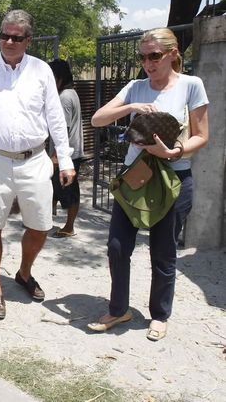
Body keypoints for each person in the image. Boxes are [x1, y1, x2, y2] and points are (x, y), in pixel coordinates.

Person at [0, 9, 75, 321]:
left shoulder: (42, 71)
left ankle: (23, 272)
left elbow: (56, 119)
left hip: (34, 160)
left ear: (27, 40)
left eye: (16, 37)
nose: (8, 41)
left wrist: (66, 160)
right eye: (4, 35)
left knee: (40, 225)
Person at [88, 27, 208, 341]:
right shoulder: (135, 87)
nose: (148, 63)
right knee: (117, 246)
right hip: (135, 176)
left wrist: (174, 151)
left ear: (172, 53)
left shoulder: (191, 85)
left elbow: (202, 136)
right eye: (143, 57)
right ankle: (119, 308)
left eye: (154, 56)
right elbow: (98, 119)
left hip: (173, 177)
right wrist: (130, 108)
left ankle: (159, 314)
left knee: (163, 251)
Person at [48, 59, 83, 238]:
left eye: (52, 77)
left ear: (59, 77)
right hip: (72, 152)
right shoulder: (71, 93)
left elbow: (63, 130)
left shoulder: (63, 98)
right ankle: (49, 220)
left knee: (67, 189)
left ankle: (69, 227)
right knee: (59, 187)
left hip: (67, 154)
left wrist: (55, 157)